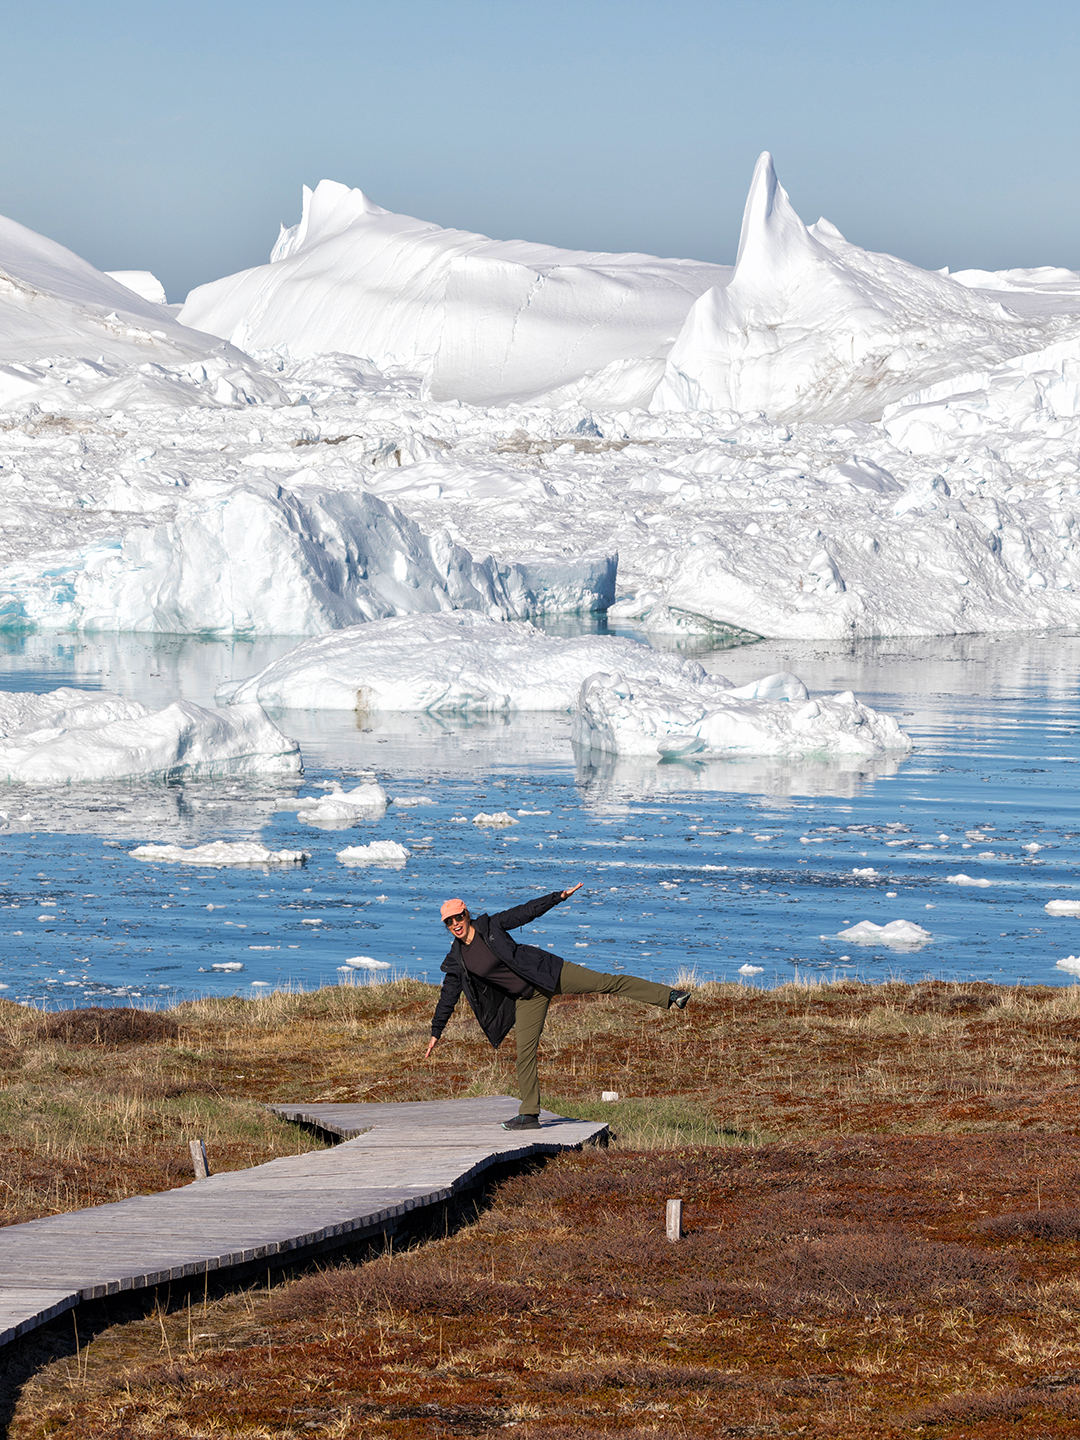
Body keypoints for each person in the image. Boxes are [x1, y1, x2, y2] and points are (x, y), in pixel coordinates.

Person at [424, 883, 689, 1130]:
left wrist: (558, 897)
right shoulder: (457, 960)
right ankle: (529, 1115)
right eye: (449, 922)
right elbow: (448, 996)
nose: (455, 924)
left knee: (607, 983)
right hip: (528, 998)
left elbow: (525, 912)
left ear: (467, 915)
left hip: (549, 972)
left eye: (458, 917)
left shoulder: (491, 926)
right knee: (524, 1054)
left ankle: (669, 995)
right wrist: (436, 1031)